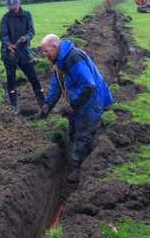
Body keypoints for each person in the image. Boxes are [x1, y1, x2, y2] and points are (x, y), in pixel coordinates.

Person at [39, 34, 114, 182]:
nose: (44, 54)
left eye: (45, 51)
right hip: (79, 100)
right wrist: (48, 105)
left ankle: (78, 168)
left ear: (54, 47)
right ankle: (73, 159)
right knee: (73, 132)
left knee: (83, 134)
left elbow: (88, 86)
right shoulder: (59, 60)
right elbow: (56, 84)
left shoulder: (73, 58)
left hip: (91, 101)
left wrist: (73, 105)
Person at [0, 0, 45, 115]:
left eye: (14, 5)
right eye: (10, 6)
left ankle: (43, 103)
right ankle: (14, 106)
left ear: (19, 3)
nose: (13, 8)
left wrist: (26, 37)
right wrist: (8, 45)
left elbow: (31, 31)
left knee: (33, 77)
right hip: (9, 54)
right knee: (11, 80)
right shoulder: (5, 18)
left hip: (24, 51)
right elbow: (3, 35)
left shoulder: (27, 15)